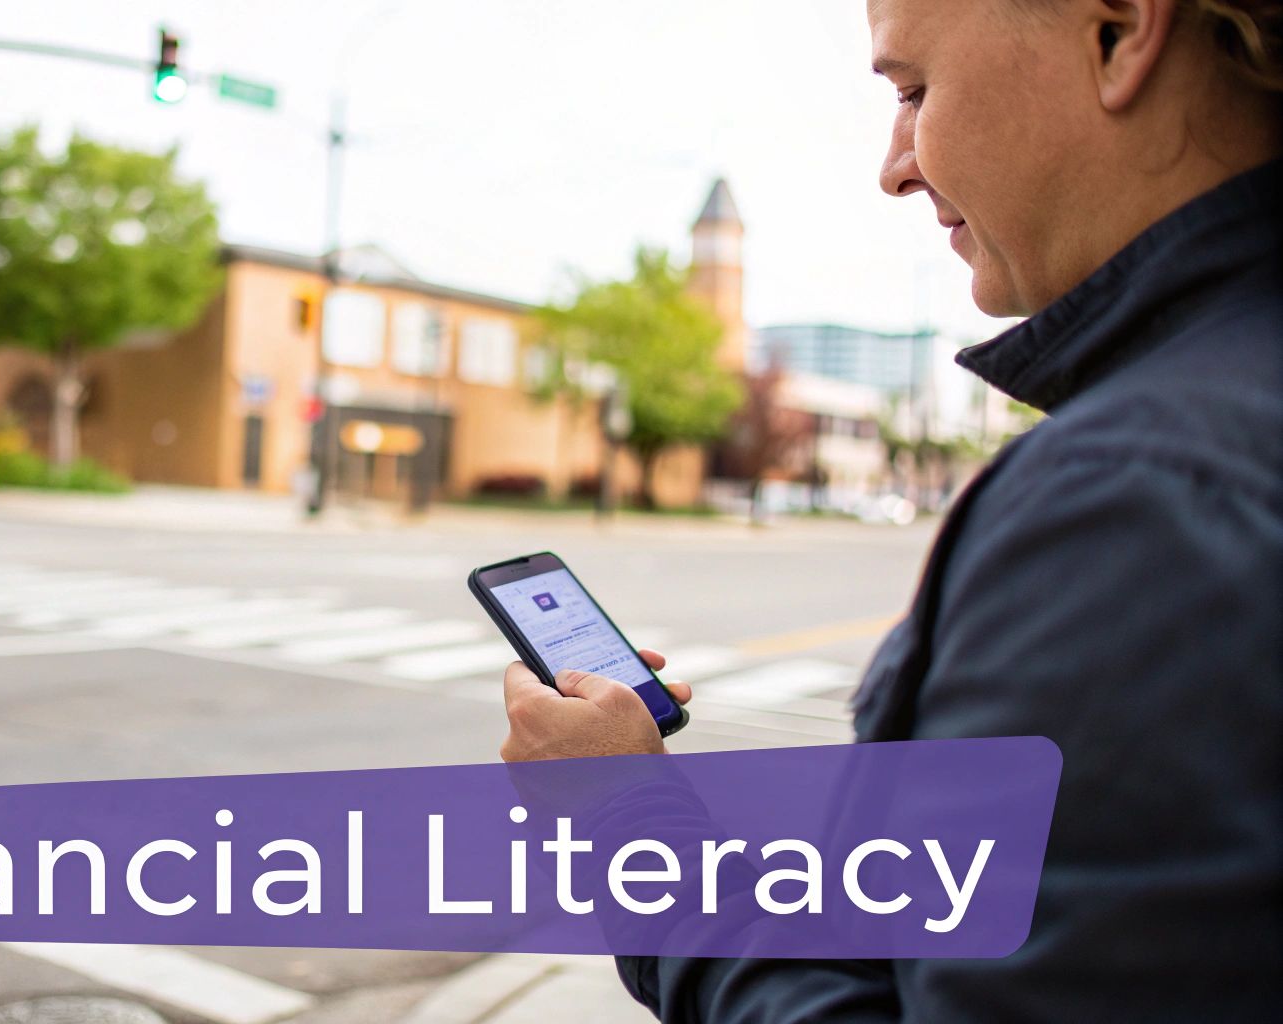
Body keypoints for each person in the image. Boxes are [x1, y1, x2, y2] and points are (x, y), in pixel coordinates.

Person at [498, 0, 1283, 1019]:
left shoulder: (1133, 498)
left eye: (912, 90)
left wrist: (623, 824)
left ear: (1120, 30)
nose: (894, 163)